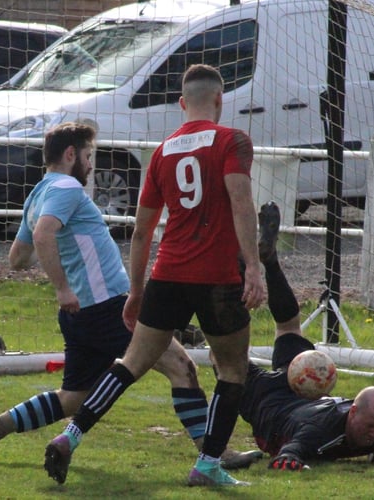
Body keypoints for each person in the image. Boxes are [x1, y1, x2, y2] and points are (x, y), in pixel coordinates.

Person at [0, 121, 260, 471]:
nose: (90, 165)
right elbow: (43, 236)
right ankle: (213, 455)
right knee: (182, 368)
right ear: (70, 155)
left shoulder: (38, 193)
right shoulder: (68, 188)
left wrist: (68, 266)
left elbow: (17, 258)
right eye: (88, 156)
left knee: (74, 398)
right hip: (108, 307)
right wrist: (63, 286)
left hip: (80, 315)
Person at [44, 64, 266, 487]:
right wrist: (253, 267)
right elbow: (241, 203)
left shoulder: (163, 151)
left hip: (168, 275)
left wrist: (137, 291)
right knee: (232, 369)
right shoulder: (232, 140)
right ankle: (208, 465)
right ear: (219, 100)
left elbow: (142, 230)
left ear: (183, 104)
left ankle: (71, 435)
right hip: (216, 278)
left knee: (131, 363)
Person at [237, 203, 374, 469]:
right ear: (353, 412)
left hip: (305, 381)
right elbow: (291, 451)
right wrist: (289, 460)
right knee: (228, 357)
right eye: (370, 427)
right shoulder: (317, 433)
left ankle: (266, 261)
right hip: (269, 401)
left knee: (288, 327)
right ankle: (237, 268)